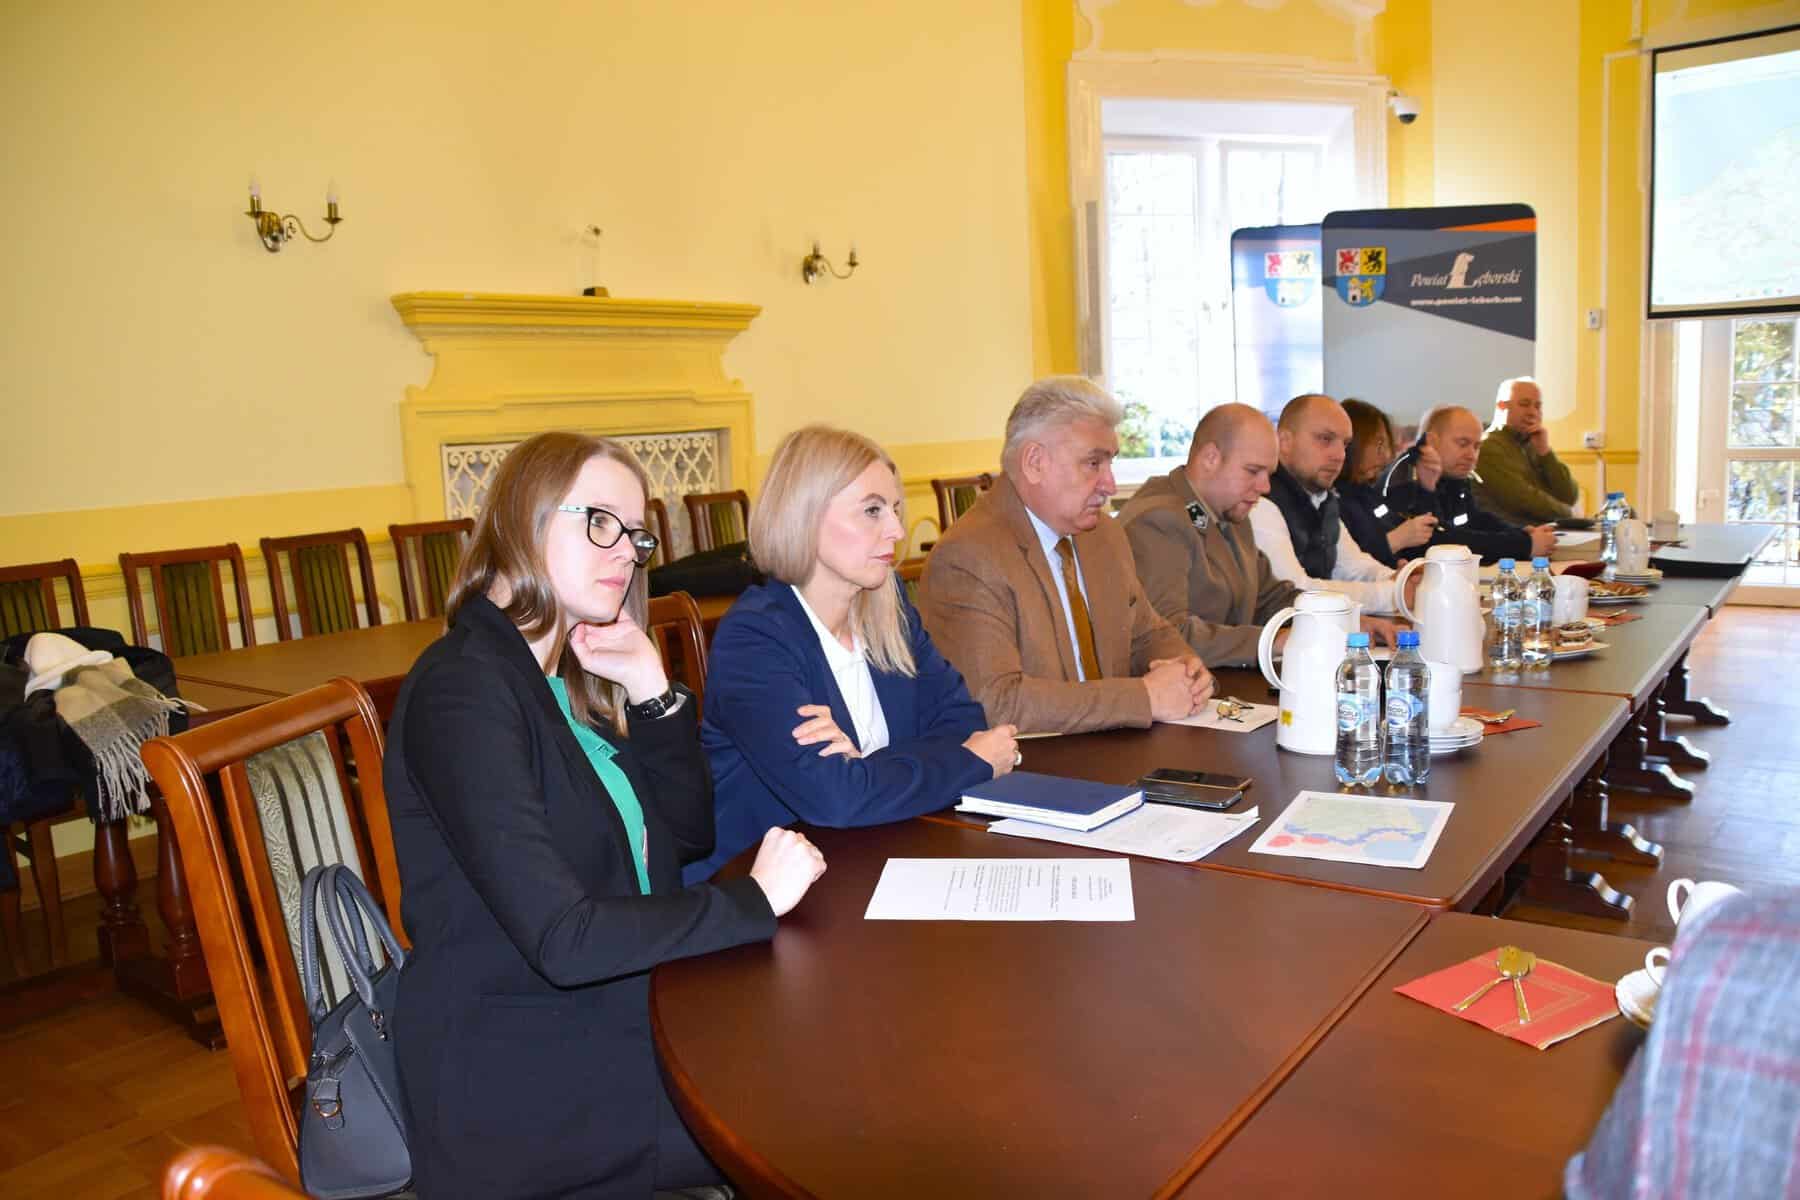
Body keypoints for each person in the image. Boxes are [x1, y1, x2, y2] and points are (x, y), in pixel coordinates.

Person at [383, 431, 826, 1199]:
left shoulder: (558, 681)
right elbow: (566, 940)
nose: (626, 551)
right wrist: (753, 901)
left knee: (829, 1049)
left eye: (636, 534)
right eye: (600, 522)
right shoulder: (464, 688)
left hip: (606, 1022)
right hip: (523, 1088)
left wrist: (651, 689)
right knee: (823, 1120)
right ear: (523, 520)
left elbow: (681, 840)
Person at [686, 426, 1018, 883]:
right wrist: (968, 762)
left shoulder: (889, 611)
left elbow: (964, 723)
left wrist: (864, 770)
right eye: (872, 510)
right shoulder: (755, 638)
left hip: (864, 858)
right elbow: (834, 800)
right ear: (805, 516)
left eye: (895, 509)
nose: (896, 530)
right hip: (755, 888)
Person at [919, 376, 1213, 734]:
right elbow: (995, 702)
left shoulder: (1104, 535)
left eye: (1110, 463)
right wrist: (1143, 698)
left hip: (1113, 748)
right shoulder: (969, 556)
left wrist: (1186, 670)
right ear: (1034, 462)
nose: (1110, 485)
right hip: (1033, 762)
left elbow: (1145, 634)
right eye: (1093, 463)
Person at [1116, 404, 1298, 666]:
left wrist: (1334, 615)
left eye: (1268, 474)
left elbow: (1269, 597)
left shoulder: (1229, 513)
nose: (1265, 486)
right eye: (1252, 471)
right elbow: (1166, 636)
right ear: (1211, 458)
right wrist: (1272, 641)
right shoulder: (1158, 520)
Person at [1247, 393, 1417, 617]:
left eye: (1345, 444)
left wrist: (1402, 579)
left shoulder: (1323, 499)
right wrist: (1390, 595)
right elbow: (1294, 591)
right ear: (1285, 442)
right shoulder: (1260, 502)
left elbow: (1354, 567)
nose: (1339, 455)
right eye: (1325, 439)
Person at [1383, 405, 1556, 564]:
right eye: (1463, 444)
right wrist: (1524, 545)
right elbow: (1438, 543)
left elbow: (1475, 519)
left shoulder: (1453, 476)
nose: (1471, 455)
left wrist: (1522, 533)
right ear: (1432, 441)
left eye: (1477, 446)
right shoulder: (1404, 477)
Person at [1336, 397, 1438, 567]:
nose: (1386, 456)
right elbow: (1343, 566)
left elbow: (1419, 540)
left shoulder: (1367, 494)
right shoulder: (1333, 501)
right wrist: (1394, 541)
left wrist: (1426, 488)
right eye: (1379, 444)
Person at [1475, 376, 1582, 525]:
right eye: (1524, 404)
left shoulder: (1533, 444)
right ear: (1502, 406)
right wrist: (1570, 513)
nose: (1532, 412)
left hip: (1544, 531)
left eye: (1537, 406)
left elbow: (1569, 495)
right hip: (1512, 534)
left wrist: (1545, 453)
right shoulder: (1488, 447)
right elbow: (1522, 499)